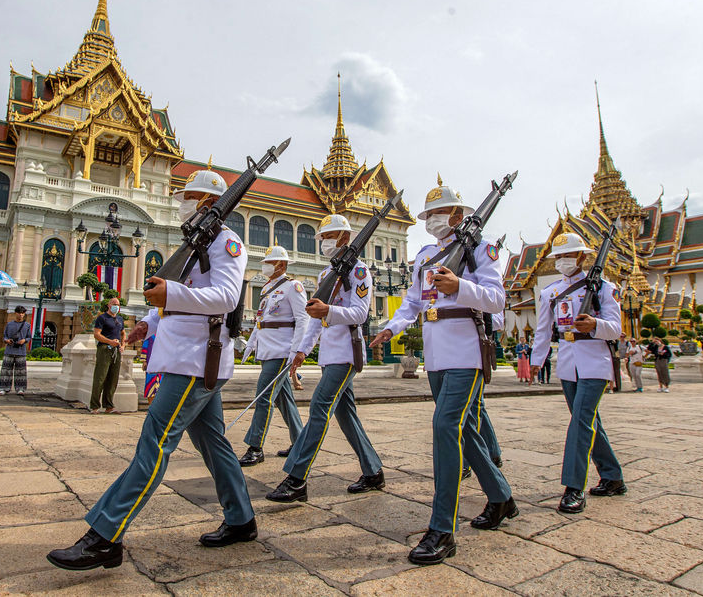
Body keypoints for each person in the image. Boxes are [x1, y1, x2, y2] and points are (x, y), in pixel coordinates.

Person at [47, 166, 256, 572]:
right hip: (186, 356)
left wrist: (170, 293)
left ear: (209, 203)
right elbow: (177, 296)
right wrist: (149, 321)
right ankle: (241, 518)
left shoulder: (226, 243)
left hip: (197, 361)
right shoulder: (196, 244)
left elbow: (226, 298)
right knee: (213, 443)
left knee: (154, 443)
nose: (182, 204)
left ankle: (105, 535)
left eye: (188, 198)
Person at [370, 178, 514, 566]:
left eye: (438, 213)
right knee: (464, 430)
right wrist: (392, 327)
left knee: (445, 427)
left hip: (467, 350)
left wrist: (461, 285)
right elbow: (414, 302)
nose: (432, 219)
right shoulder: (424, 256)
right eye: (428, 214)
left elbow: (497, 299)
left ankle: (442, 528)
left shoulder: (482, 249)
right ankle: (500, 497)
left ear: (457, 214)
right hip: (435, 353)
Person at [266, 214, 384, 503]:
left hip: (347, 351)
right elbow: (314, 320)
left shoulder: (358, 272)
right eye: (323, 238)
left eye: (330, 237)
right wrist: (302, 352)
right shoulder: (324, 275)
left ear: (345, 237)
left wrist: (328, 311)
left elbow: (360, 314)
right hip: (330, 353)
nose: (325, 243)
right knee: (346, 415)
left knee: (319, 407)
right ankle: (373, 471)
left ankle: (297, 477)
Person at [530, 231, 626, 515]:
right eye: (558, 257)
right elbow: (544, 330)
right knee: (587, 419)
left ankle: (574, 486)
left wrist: (594, 325)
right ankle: (612, 476)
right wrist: (538, 358)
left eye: (567, 255)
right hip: (568, 362)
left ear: (582, 257)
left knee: (580, 422)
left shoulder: (604, 289)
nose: (562, 261)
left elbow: (616, 328)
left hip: (595, 360)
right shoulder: (550, 292)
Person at [238, 245, 307, 467]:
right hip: (267, 350)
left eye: (270, 262)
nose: (265, 266)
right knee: (283, 399)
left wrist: (297, 350)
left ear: (282, 265)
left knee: (263, 397)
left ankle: (255, 447)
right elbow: (261, 321)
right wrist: (251, 344)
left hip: (281, 351)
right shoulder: (268, 289)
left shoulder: (292, 287)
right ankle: (300, 442)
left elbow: (303, 319)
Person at [89, 297, 126, 414]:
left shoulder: (120, 319)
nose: (116, 306)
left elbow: (123, 333)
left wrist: (123, 345)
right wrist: (110, 342)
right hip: (105, 349)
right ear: (109, 305)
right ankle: (94, 406)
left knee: (113, 379)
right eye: (114, 304)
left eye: (118, 304)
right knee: (100, 377)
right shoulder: (102, 318)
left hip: (116, 350)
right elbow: (96, 334)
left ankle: (109, 405)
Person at [0, 306, 31, 395]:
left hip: (21, 351)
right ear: (15, 313)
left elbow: (29, 337)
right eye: (19, 313)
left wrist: (24, 340)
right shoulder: (9, 324)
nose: (21, 315)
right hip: (9, 350)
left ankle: (20, 388)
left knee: (21, 372)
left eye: (22, 313)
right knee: (6, 371)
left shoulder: (27, 325)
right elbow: (5, 336)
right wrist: (7, 340)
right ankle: (3, 388)